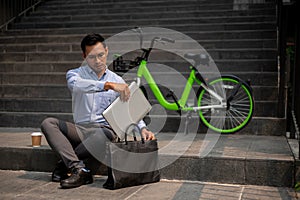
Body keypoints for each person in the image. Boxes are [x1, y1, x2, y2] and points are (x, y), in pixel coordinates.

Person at [41, 33, 155, 189]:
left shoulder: (118, 80)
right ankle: (80, 169)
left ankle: (66, 165)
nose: (98, 61)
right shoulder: (75, 74)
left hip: (103, 131)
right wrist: (107, 85)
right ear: (84, 56)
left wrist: (142, 128)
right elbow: (76, 86)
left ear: (107, 51)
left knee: (106, 134)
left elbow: (128, 109)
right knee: (48, 123)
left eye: (101, 55)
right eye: (92, 57)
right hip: (80, 130)